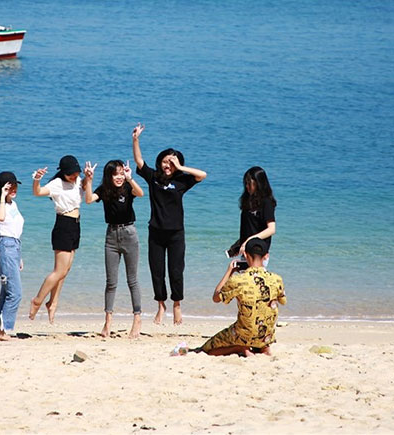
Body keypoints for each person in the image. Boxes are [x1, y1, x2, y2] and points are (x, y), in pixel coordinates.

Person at [132, 123, 207, 326]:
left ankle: (177, 305)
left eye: (171, 163)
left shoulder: (182, 181)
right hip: (155, 232)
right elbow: (139, 161)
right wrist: (136, 139)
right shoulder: (153, 178)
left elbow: (202, 175)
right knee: (157, 271)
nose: (167, 166)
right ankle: (160, 306)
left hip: (176, 234)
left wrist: (180, 167)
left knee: (176, 271)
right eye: (165, 162)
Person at [28, 155, 94, 323]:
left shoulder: (78, 180)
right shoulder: (57, 184)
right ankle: (37, 301)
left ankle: (53, 303)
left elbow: (87, 193)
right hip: (63, 225)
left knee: (65, 272)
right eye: (71, 174)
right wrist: (37, 180)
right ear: (63, 173)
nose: (74, 176)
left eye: (76, 173)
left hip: (75, 225)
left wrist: (88, 177)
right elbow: (37, 192)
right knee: (59, 271)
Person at [85, 159, 144, 338]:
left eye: (121, 174)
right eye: (115, 174)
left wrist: (130, 178)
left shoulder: (127, 187)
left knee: (132, 280)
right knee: (111, 282)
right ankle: (108, 321)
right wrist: (88, 179)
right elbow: (88, 199)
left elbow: (140, 193)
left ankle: (137, 319)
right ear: (109, 176)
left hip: (129, 233)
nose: (119, 177)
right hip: (111, 235)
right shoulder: (104, 190)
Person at [198, 238, 286, 356]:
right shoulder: (277, 279)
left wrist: (229, 271)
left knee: (207, 349)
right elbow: (283, 300)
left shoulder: (238, 280)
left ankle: (240, 348)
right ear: (266, 256)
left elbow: (216, 297)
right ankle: (263, 348)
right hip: (266, 336)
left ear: (245, 254)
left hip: (244, 334)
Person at [0, 171, 24, 342]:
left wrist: (19, 256)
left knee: (6, 292)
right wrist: (2, 196)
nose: (14, 190)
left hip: (14, 248)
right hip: (5, 248)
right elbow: (1, 218)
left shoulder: (14, 204)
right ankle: (3, 330)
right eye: (11, 187)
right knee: (15, 293)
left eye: (15, 186)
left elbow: (16, 231)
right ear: (4, 188)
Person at [236, 166, 276, 259]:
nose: (247, 186)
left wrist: (250, 240)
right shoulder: (248, 201)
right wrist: (239, 244)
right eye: (246, 183)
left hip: (259, 251)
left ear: (259, 184)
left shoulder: (266, 202)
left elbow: (271, 229)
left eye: (250, 183)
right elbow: (249, 227)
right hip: (246, 250)